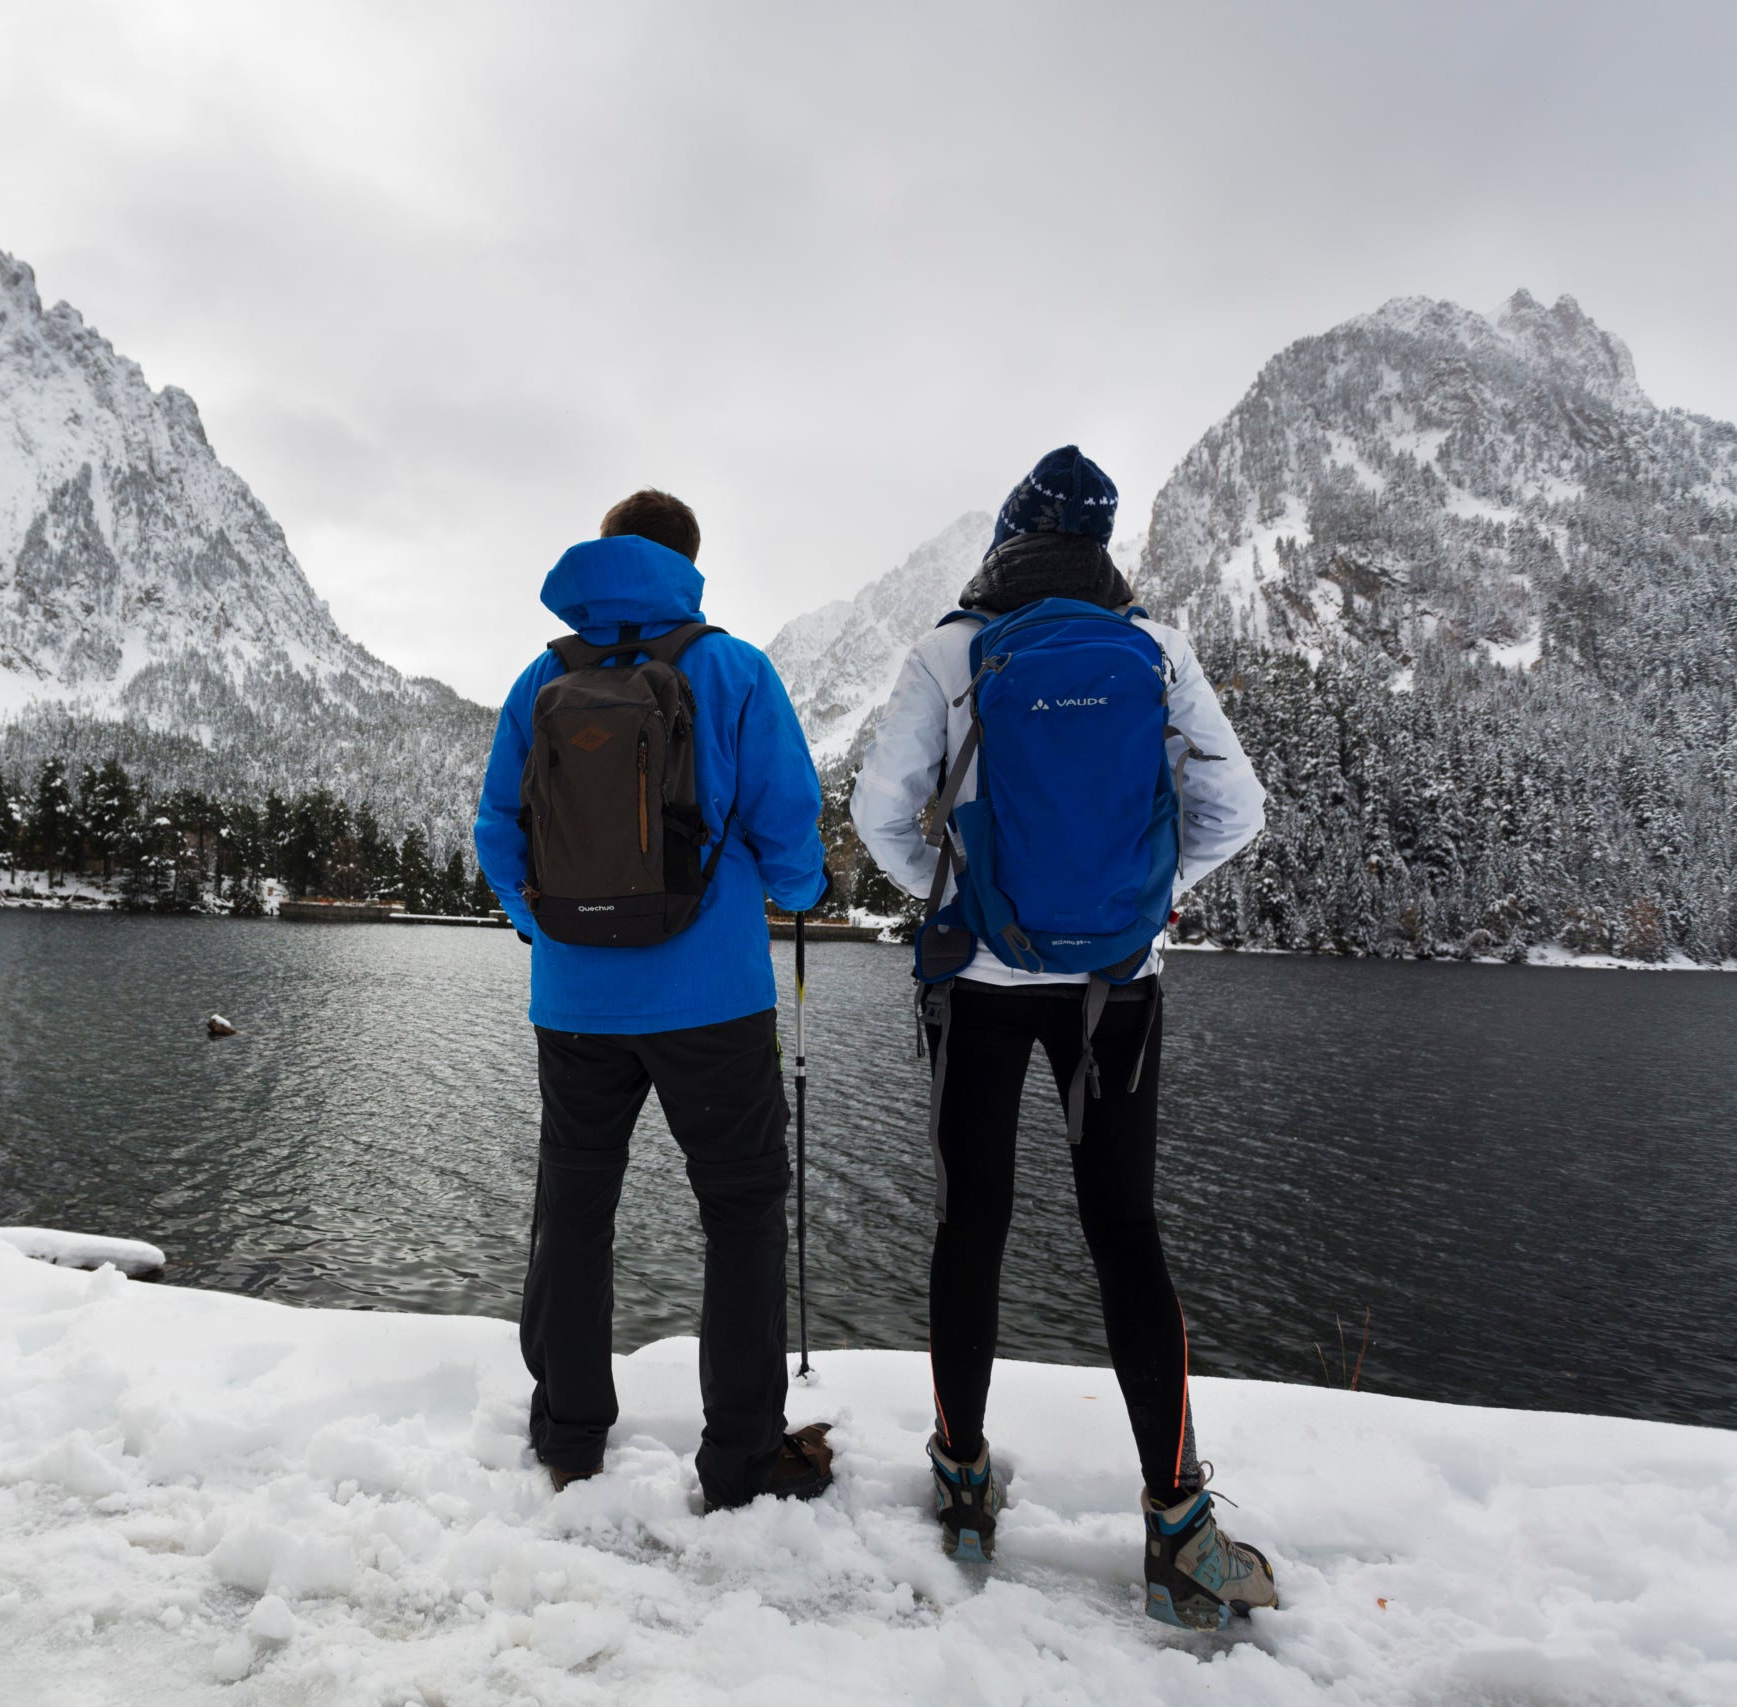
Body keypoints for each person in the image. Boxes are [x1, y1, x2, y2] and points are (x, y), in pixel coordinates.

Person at [849, 446, 1281, 1629]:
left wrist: (964, 900)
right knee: (1126, 1234)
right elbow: (1235, 810)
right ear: (1101, 548)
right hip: (1116, 987)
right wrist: (1143, 900)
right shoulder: (1155, 649)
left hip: (978, 984)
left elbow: (880, 814)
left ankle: (962, 1485)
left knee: (969, 1225)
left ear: (1006, 537)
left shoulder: (950, 650)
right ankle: (1178, 1528)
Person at [476, 488, 835, 1511]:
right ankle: (741, 1460)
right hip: (711, 996)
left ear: (603, 554)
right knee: (741, 1213)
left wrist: (546, 926)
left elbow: (497, 830)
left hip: (574, 1003)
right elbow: (786, 822)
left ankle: (569, 1435)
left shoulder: (543, 677)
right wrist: (804, 892)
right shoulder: (733, 668)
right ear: (689, 562)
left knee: (575, 1206)